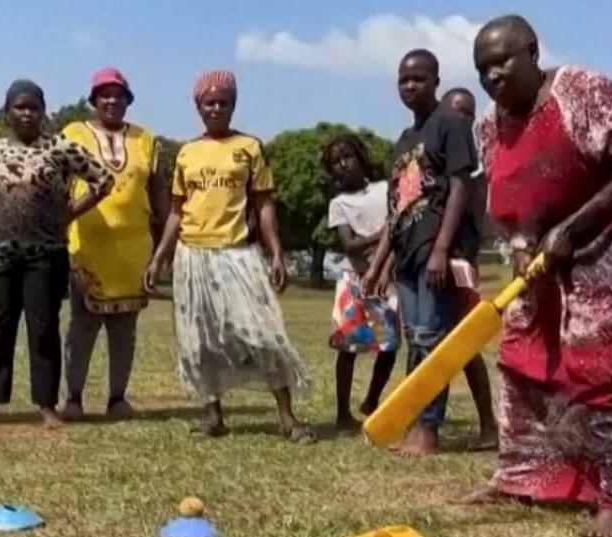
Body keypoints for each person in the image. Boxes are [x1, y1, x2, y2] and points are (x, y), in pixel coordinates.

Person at [460, 15, 612, 537]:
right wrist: (528, 249)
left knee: (596, 365)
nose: (493, 75)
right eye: (483, 68)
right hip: (542, 255)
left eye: (502, 60)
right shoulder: (489, 125)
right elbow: (513, 201)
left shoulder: (584, 91)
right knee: (523, 358)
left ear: (531, 49)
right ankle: (525, 476)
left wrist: (572, 229)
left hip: (610, 240)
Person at [143, 69, 314, 443]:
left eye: (223, 102)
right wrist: (159, 256)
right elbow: (176, 211)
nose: (216, 108)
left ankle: (287, 417)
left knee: (264, 334)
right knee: (200, 339)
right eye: (209, 102)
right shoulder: (187, 153)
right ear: (198, 107)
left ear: (233, 105)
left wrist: (276, 253)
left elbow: (265, 204)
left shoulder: (250, 148)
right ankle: (213, 414)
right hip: (193, 255)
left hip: (237, 253)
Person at [0, 80, 113, 429]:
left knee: (42, 329)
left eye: (34, 107)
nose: (27, 114)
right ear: (7, 112)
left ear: (43, 112)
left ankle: (46, 405)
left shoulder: (60, 148)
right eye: (20, 107)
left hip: (46, 254)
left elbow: (102, 180)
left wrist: (70, 213)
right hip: (0, 255)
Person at [361, 49, 477, 456]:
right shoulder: (403, 144)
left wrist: (442, 249)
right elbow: (397, 211)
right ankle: (417, 423)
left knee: (431, 339)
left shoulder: (450, 125)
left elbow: (461, 186)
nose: (410, 86)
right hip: (406, 254)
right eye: (403, 80)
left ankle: (429, 430)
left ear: (436, 82)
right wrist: (377, 266)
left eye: (419, 79)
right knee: (417, 340)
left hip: (433, 249)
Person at [59, 68, 166, 421]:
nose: (112, 100)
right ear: (94, 100)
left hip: (133, 251)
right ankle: (73, 397)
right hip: (86, 246)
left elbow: (159, 194)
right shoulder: (73, 134)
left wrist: (166, 248)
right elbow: (58, 186)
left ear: (128, 100)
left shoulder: (145, 140)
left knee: (125, 329)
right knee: (82, 326)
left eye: (119, 95)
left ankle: (117, 398)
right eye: (104, 94)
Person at [320, 135, 399, 431]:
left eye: (347, 157)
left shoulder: (384, 189)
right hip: (354, 281)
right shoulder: (339, 204)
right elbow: (349, 245)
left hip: (386, 279)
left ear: (360, 157)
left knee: (389, 346)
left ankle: (372, 401)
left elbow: (399, 221)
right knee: (347, 349)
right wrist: (383, 234)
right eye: (336, 162)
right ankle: (342, 413)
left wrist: (386, 238)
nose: (343, 164)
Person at [440, 86, 499, 450]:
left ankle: (488, 424)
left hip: (459, 265)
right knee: (434, 345)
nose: (462, 119)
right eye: (455, 112)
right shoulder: (437, 163)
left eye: (468, 113)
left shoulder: (474, 176)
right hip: (434, 264)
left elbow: (475, 227)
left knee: (463, 347)